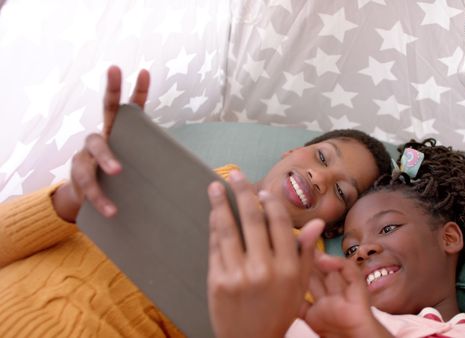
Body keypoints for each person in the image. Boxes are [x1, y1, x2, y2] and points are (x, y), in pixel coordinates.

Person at [0, 66, 391, 337]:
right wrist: (70, 199)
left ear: (338, 223)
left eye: (342, 191)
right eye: (322, 157)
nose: (320, 179)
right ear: (290, 153)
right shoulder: (160, 170)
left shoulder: (301, 279)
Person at [207, 138, 465, 338]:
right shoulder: (317, 321)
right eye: (350, 248)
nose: (363, 251)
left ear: (449, 237)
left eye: (388, 228)